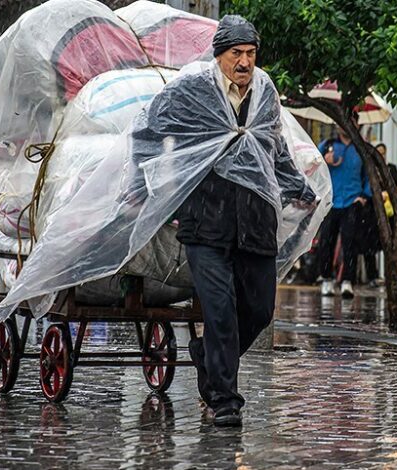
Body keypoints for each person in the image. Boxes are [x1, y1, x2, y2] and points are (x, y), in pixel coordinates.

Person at [134, 15, 315, 426]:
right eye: (237, 53)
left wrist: (297, 186)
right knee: (218, 311)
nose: (245, 62)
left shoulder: (265, 92)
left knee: (259, 309)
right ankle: (224, 400)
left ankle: (206, 358)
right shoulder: (193, 88)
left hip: (255, 220)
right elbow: (147, 130)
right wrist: (141, 181)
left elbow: (275, 147)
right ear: (219, 56)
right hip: (205, 220)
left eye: (251, 54)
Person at [315, 119, 372, 298]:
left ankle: (348, 281)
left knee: (350, 243)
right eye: (342, 121)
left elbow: (369, 175)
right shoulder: (327, 145)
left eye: (350, 121)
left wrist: (363, 196)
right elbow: (311, 168)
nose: (345, 125)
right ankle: (326, 279)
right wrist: (324, 161)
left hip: (351, 201)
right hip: (331, 201)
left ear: (357, 124)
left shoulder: (362, 148)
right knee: (326, 241)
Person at [361, 143, 397, 287]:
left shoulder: (390, 169)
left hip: (388, 213)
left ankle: (390, 275)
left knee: (389, 246)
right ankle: (372, 275)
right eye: (378, 152)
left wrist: (391, 194)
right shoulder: (369, 169)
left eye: (383, 153)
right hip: (371, 213)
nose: (381, 155)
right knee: (369, 246)